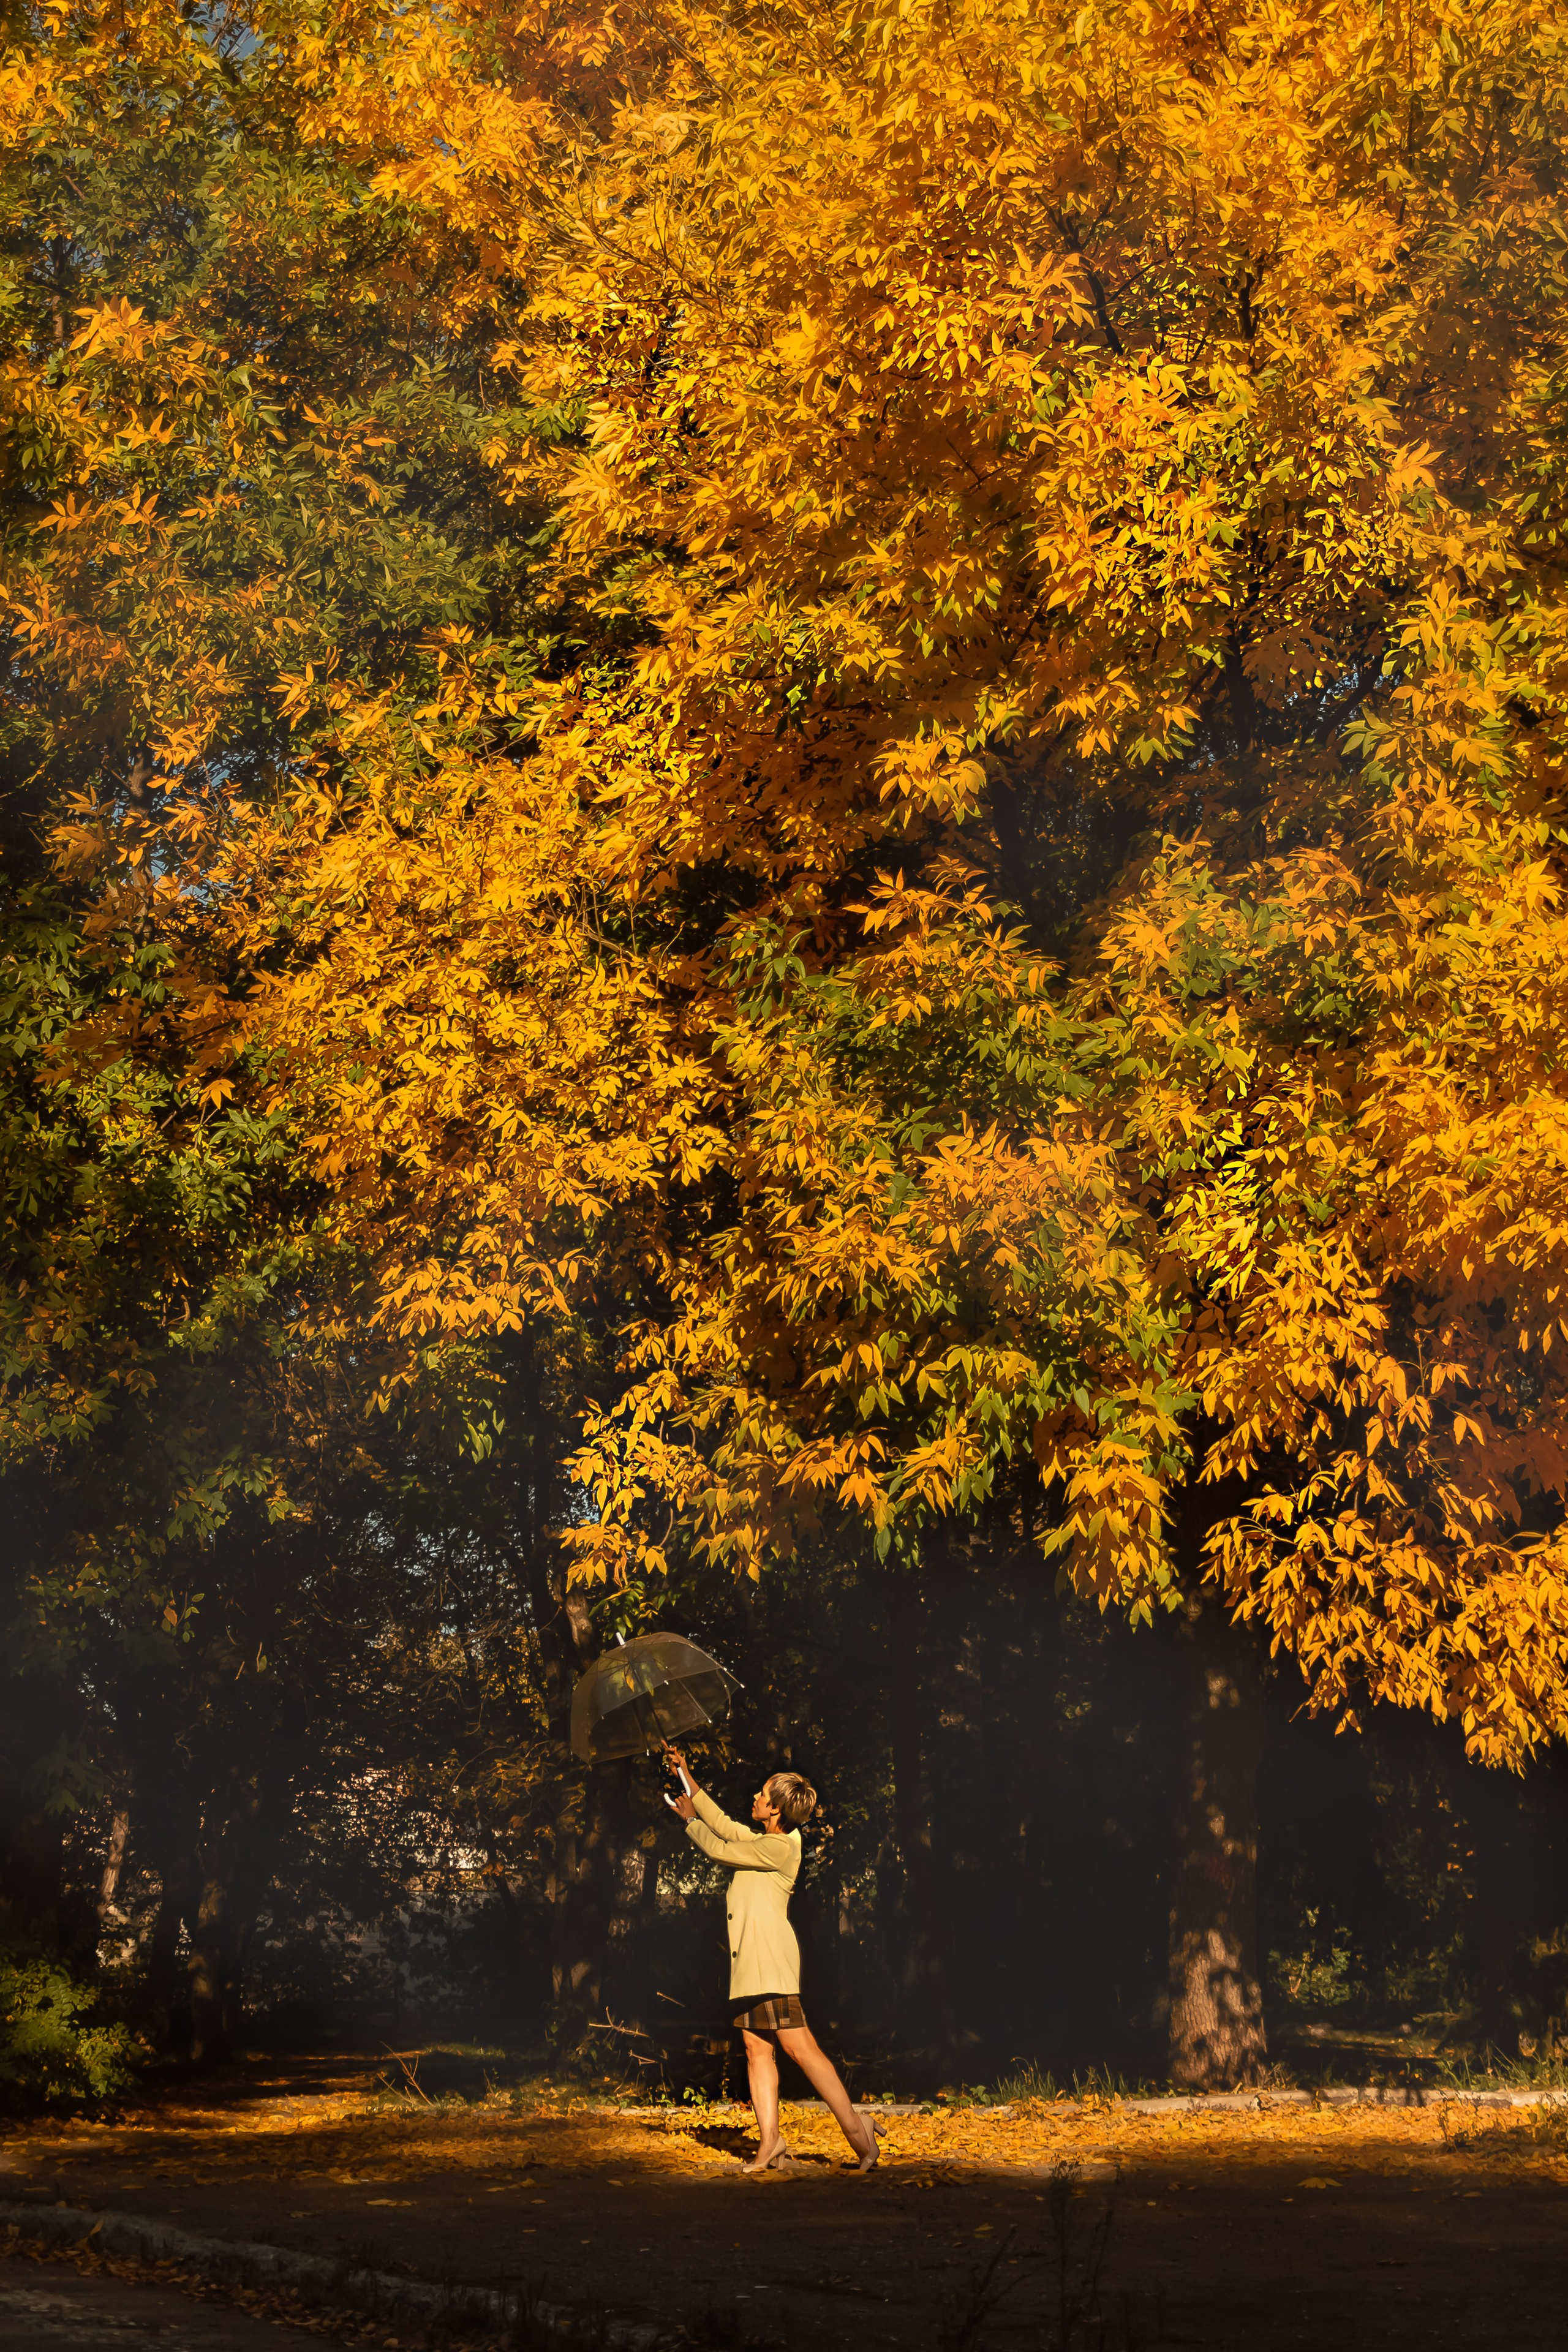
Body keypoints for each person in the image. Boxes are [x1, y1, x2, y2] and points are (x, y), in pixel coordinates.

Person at [666, 1747, 881, 2176]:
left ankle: (860, 2133)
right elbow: (726, 1827)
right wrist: (685, 1774)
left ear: (777, 1809)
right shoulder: (768, 1839)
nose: (756, 1798)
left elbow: (721, 1849)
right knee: (755, 2049)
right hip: (752, 1963)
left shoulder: (781, 1848)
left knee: (801, 2050)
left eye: (763, 1795)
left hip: (771, 1962)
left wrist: (689, 1820)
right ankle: (770, 2144)